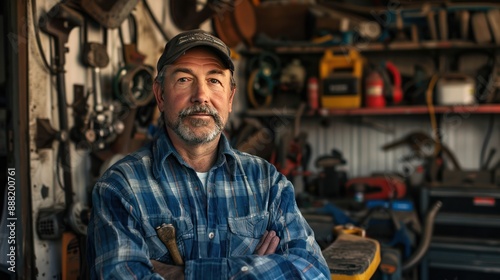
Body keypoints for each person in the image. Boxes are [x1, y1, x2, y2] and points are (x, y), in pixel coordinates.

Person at [87, 29, 329, 280]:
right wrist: (253, 269)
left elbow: (313, 272)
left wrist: (183, 274)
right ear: (160, 95)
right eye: (184, 79)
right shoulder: (120, 188)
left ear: (230, 97)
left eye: (214, 81)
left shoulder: (267, 183)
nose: (201, 95)